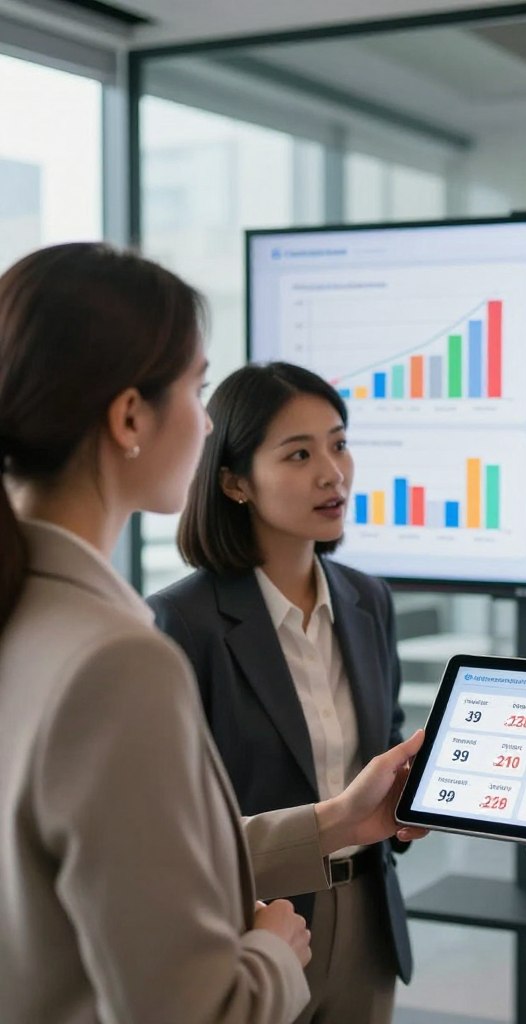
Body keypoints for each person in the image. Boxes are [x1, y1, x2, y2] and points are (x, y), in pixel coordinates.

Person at [0, 242, 424, 1024]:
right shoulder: (121, 653)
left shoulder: (28, 615)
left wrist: (348, 821)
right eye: (196, 390)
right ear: (131, 416)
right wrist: (267, 950)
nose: (203, 421)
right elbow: (189, 1007)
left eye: (338, 443)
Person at [148, 362, 413, 1024]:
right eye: (299, 453)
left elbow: (384, 742)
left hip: (368, 921)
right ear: (235, 481)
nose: (333, 472)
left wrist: (417, 803)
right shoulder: (181, 623)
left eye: (339, 442)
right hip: (256, 922)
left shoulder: (367, 599)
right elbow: (172, 823)